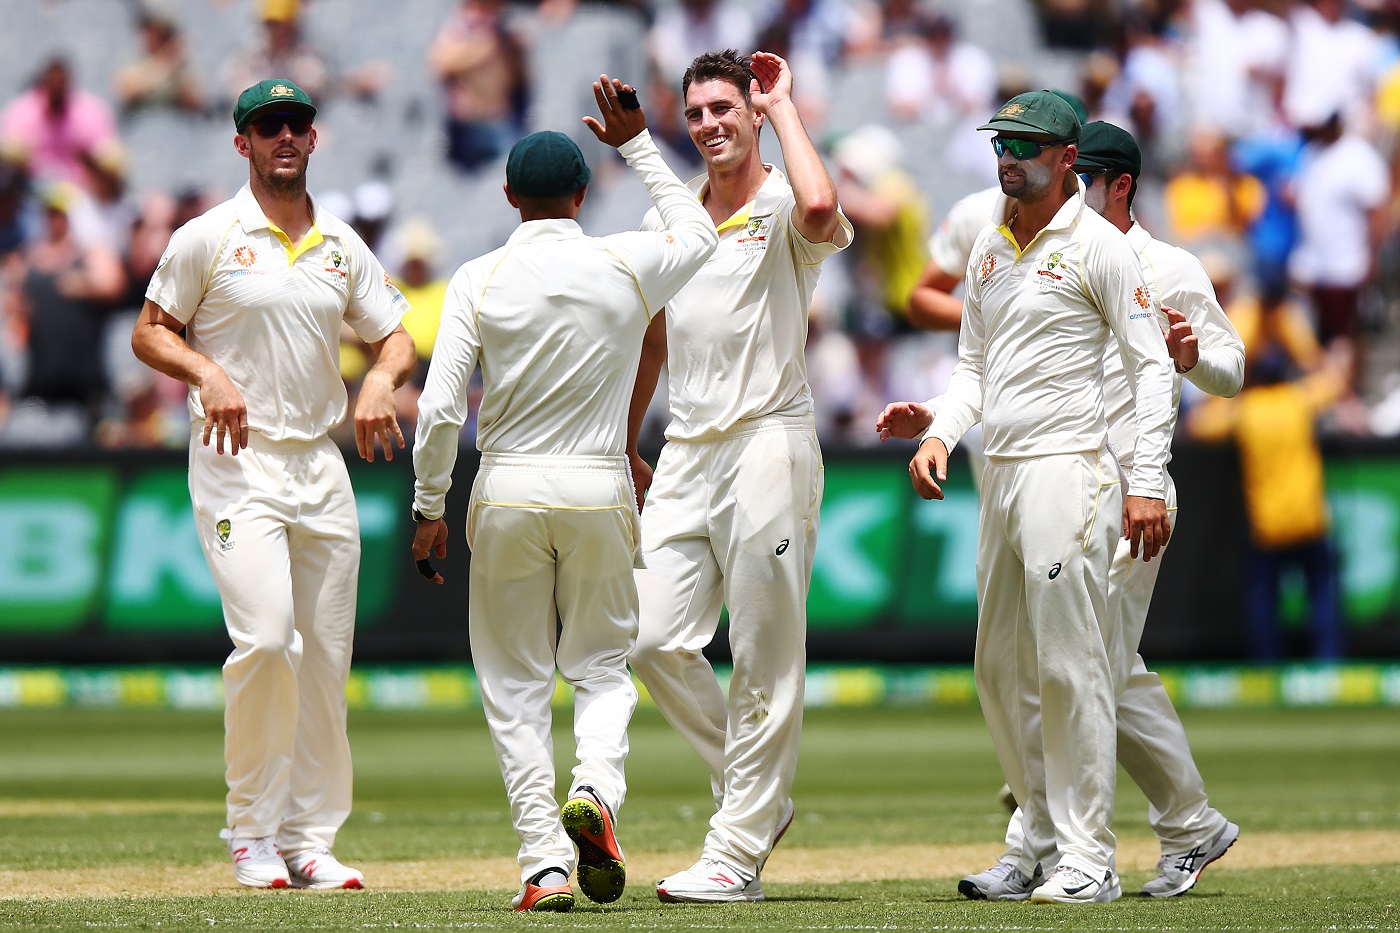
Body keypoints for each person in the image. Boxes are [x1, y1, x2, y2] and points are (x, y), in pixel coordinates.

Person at [410, 78, 717, 913]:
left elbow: (439, 407)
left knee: (513, 685)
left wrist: (429, 506)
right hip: (597, 485)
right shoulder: (623, 257)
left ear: (509, 196)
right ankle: (595, 792)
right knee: (603, 669)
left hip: (506, 486)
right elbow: (699, 233)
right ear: (582, 195)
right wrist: (639, 145)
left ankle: (544, 863)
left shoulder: (479, 275)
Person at [923, 121, 1245, 900]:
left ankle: (1071, 845)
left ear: (1116, 183)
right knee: (1072, 667)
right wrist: (939, 421)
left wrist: (1190, 357)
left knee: (1083, 667)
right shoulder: (1016, 249)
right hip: (1045, 482)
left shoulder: (1163, 266)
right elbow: (989, 366)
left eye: (1087, 176)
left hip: (1123, 486)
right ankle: (1179, 825)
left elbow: (1230, 369)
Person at [130, 78, 416, 890]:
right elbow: (150, 331)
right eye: (267, 126)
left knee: (325, 659)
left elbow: (395, 337)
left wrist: (378, 381)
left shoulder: (340, 244)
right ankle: (251, 830)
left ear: (313, 139)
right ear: (243, 143)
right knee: (265, 640)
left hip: (319, 465)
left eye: (296, 124)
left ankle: (309, 837)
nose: (284, 136)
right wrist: (205, 370)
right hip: (237, 459)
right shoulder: (208, 235)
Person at [625, 49, 852, 903]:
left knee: (763, 650)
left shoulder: (786, 204)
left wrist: (785, 104)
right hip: (686, 448)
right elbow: (650, 337)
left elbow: (826, 207)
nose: (711, 125)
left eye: (726, 108)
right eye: (697, 113)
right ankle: (759, 797)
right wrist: (624, 439)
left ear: (751, 115)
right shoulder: (671, 221)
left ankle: (737, 848)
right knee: (648, 636)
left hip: (769, 440)